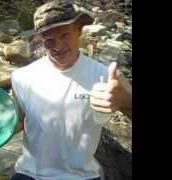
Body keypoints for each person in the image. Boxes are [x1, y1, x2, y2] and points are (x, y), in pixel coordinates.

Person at [10, 0, 132, 180]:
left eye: (64, 35)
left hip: (82, 176)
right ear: (40, 39)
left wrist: (124, 100)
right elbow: (18, 121)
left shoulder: (106, 76)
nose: (57, 46)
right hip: (29, 174)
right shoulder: (21, 77)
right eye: (49, 40)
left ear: (79, 30)